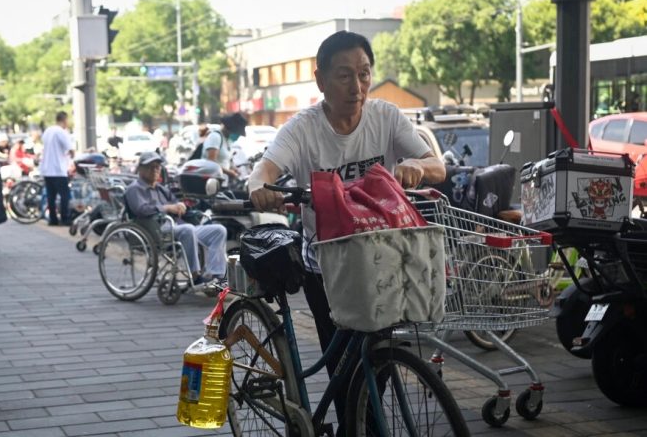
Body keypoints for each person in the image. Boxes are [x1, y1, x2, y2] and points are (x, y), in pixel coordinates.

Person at [247, 30, 446, 433]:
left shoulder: (386, 117)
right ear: (320, 80)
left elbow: (436, 166)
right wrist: (259, 188)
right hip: (328, 263)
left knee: (378, 362)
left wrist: (418, 167)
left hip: (383, 257)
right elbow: (265, 169)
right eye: (344, 76)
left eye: (364, 74)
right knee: (345, 369)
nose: (357, 87)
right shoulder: (303, 130)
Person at [125, 151, 228, 285]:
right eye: (151, 167)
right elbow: (140, 210)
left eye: (157, 167)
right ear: (141, 169)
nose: (155, 170)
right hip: (156, 230)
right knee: (188, 229)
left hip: (177, 227)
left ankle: (217, 276)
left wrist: (180, 205)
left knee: (218, 230)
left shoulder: (160, 189)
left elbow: (174, 202)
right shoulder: (134, 189)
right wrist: (166, 208)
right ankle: (195, 276)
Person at [39, 111, 74, 226]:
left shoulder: (48, 131)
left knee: (51, 196)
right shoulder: (61, 132)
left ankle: (53, 219)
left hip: (47, 169)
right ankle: (65, 218)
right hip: (58, 169)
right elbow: (70, 148)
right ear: (64, 120)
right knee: (65, 195)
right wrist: (73, 155)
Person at [201, 114, 245, 179]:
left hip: (222, 180)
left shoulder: (227, 141)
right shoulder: (215, 137)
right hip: (212, 180)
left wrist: (234, 169)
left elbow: (225, 161)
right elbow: (211, 162)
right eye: (237, 133)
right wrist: (229, 172)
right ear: (229, 129)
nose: (237, 136)